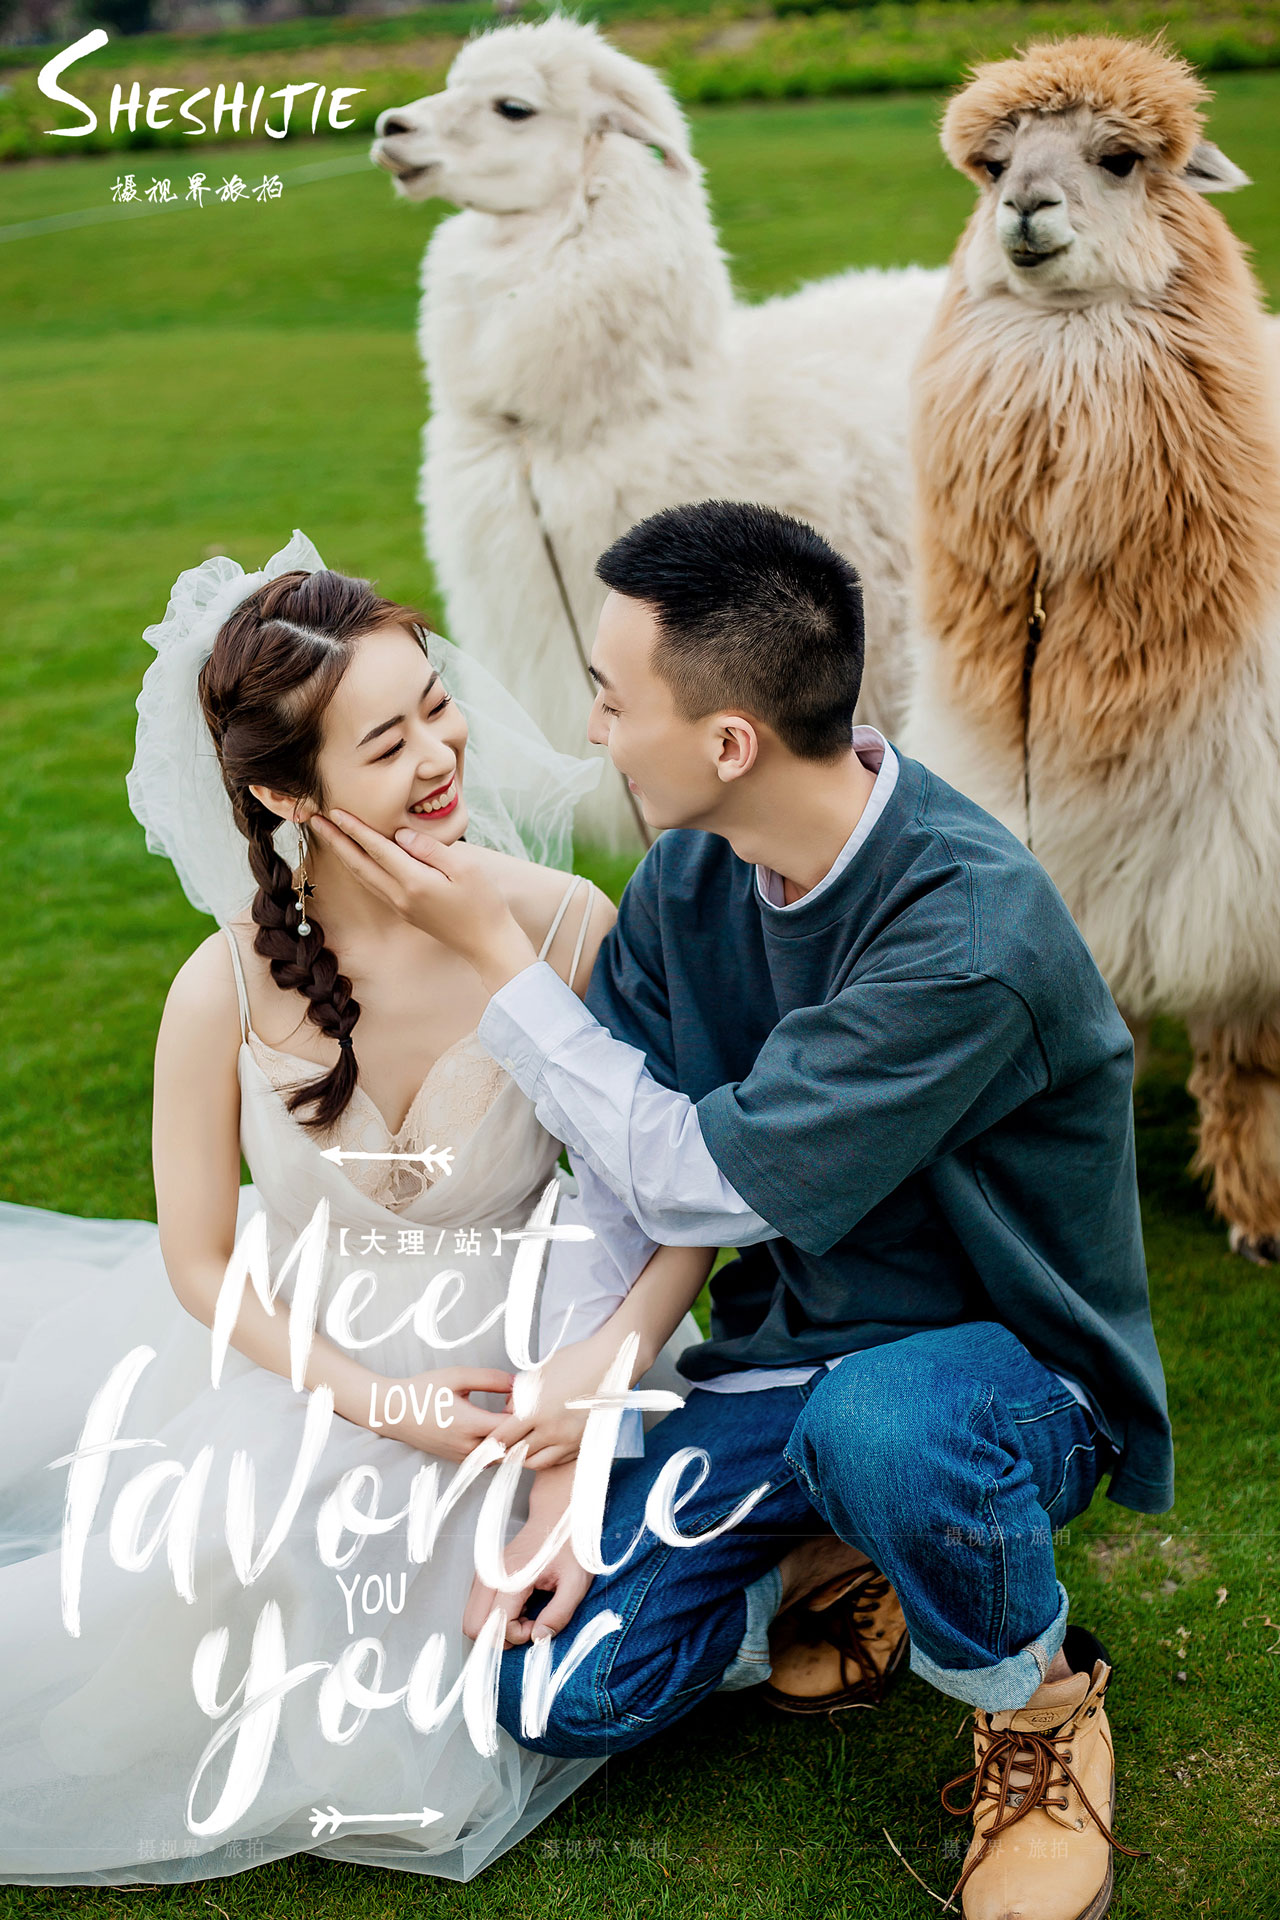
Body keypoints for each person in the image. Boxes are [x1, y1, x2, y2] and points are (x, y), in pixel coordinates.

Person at [312, 500, 1174, 1920]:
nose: (593, 731)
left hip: (1002, 1377)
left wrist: (501, 967)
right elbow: (614, 1184)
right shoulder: (686, 876)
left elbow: (695, 1181)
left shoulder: (967, 935)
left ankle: (1040, 1707)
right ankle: (850, 1540)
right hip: (783, 1376)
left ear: (727, 744)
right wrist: (574, 1459)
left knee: (884, 1429)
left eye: (612, 700)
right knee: (557, 1687)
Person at [0, 530, 702, 1886]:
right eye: (388, 744)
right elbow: (202, 1263)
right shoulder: (219, 987)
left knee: (553, 1623)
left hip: (541, 1345)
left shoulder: (567, 926)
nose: (441, 756)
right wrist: (383, 1402)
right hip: (313, 1356)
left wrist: (595, 1384)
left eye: (437, 708)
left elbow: (676, 1208)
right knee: (238, 1566)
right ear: (283, 792)